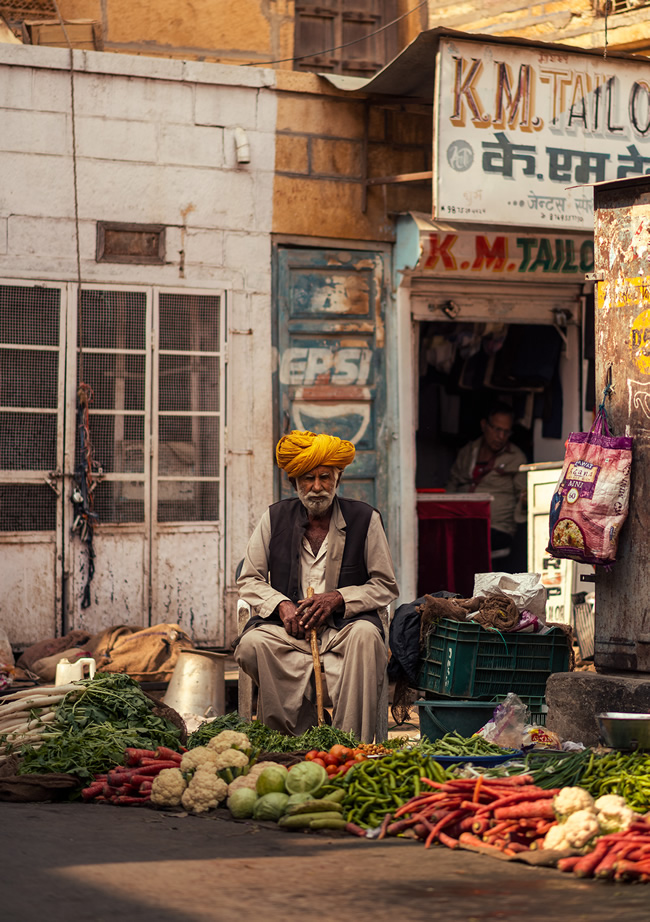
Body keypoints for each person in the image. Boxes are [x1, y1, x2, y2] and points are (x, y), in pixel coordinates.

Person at [234, 429, 399, 742]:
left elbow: (385, 585)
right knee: (252, 645)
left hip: (344, 631)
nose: (317, 487)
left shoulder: (365, 518)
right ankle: (295, 738)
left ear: (338, 478)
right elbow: (249, 578)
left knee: (367, 637)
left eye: (325, 477)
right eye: (308, 478)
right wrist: (281, 605)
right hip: (290, 633)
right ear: (294, 481)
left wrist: (338, 598)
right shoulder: (274, 518)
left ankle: (350, 745)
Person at [446, 404, 527, 571]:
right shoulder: (468, 452)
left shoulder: (516, 457)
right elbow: (452, 483)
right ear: (484, 425)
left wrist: (526, 501)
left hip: (497, 528)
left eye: (506, 432)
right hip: (461, 522)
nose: (500, 436)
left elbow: (523, 495)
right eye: (497, 429)